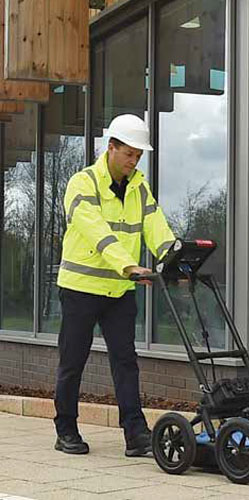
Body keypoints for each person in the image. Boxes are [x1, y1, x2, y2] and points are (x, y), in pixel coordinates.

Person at [53, 114, 175, 456]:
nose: (134, 160)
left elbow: (156, 226)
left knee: (126, 361)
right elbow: (96, 231)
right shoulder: (82, 183)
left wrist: (173, 257)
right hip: (81, 288)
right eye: (129, 153)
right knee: (72, 360)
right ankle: (66, 429)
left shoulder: (139, 187)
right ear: (112, 147)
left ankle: (136, 436)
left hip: (119, 291)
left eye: (139, 155)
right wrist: (128, 265)